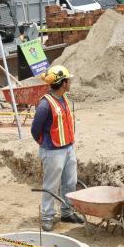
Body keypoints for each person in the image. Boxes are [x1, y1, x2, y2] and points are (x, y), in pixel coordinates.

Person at [30, 65, 84, 231]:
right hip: (53, 151)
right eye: (68, 80)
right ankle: (47, 216)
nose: (70, 83)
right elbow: (35, 130)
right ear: (63, 83)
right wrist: (45, 145)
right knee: (51, 185)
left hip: (68, 148)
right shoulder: (45, 105)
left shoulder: (64, 98)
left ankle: (67, 212)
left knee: (70, 182)